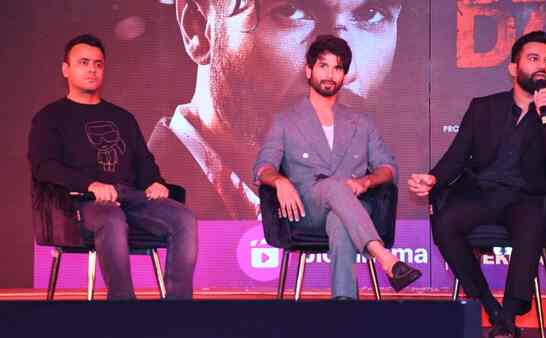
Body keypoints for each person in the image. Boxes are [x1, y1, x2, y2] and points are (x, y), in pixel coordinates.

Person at [148, 0, 403, 219]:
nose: (342, 75)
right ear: (197, 27)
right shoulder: (150, 198)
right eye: (291, 11)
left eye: (371, 14)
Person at [408, 31, 546, 337]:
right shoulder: (483, 107)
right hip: (482, 194)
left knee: (531, 222)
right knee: (446, 221)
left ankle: (509, 314)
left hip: (527, 199)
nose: (543, 66)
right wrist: (433, 178)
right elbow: (457, 155)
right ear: (513, 68)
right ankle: (488, 305)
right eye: (533, 58)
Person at [28, 34, 198, 300]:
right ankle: (122, 305)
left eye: (98, 64)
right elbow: (44, 168)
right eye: (83, 62)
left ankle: (178, 307)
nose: (92, 69)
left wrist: (156, 182)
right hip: (77, 205)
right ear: (66, 69)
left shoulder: (122, 118)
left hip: (130, 199)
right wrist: (90, 185)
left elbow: (144, 162)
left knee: (183, 218)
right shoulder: (50, 118)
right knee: (111, 218)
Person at [254, 35, 421, 300]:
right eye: (323, 66)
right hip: (305, 210)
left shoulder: (361, 122)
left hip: (354, 208)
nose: (330, 74)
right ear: (309, 71)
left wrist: (365, 182)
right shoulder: (285, 120)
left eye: (338, 67)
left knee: (340, 221)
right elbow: (263, 167)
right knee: (332, 186)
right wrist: (280, 182)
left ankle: (344, 308)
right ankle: (387, 260)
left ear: (344, 76)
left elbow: (388, 168)